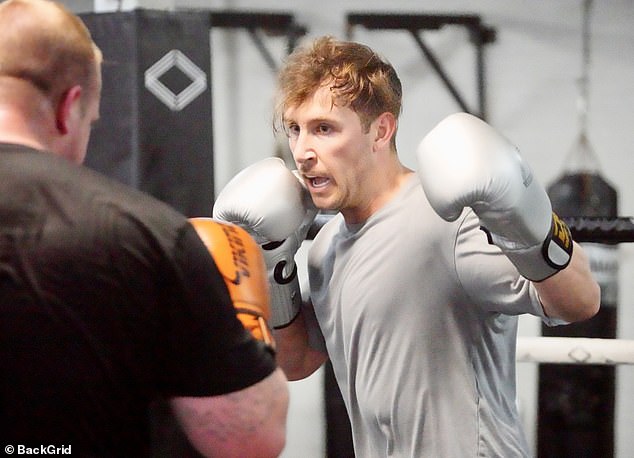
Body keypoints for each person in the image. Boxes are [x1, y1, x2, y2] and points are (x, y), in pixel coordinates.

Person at [213, 36, 601, 457]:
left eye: (324, 129)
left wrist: (526, 218)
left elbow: (580, 302)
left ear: (381, 130)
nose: (303, 152)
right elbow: (295, 363)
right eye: (295, 129)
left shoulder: (448, 221)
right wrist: (273, 264)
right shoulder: (326, 248)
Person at [0, 1, 288, 456]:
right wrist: (247, 321)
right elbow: (249, 437)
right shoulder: (145, 235)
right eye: (89, 125)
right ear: (69, 108)